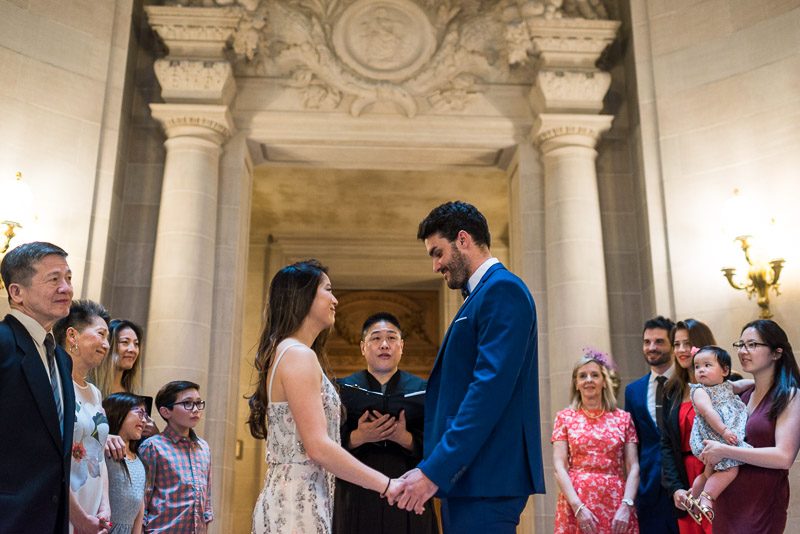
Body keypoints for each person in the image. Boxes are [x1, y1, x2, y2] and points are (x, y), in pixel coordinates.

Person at [397, 201, 545, 533]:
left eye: (438, 253)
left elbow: (487, 392)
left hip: (486, 478)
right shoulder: (480, 296)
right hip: (472, 479)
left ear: (463, 239)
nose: (436, 266)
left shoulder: (502, 290)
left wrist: (436, 469)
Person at [248, 260, 407, 534]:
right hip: (296, 504)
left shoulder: (289, 351)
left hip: (302, 495)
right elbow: (318, 447)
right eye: (328, 290)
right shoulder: (298, 354)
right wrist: (387, 484)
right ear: (304, 296)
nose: (335, 299)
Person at [334, 312, 439, 534]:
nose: (384, 345)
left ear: (402, 346)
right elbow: (322, 442)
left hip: (408, 492)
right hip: (357, 493)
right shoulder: (341, 390)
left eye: (392, 338)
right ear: (363, 347)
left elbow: (439, 443)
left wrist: (407, 439)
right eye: (375, 338)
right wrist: (357, 437)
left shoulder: (425, 390)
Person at [0, 241, 76, 534]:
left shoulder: (61, 358)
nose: (66, 288)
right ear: (16, 292)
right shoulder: (4, 343)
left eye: (68, 278)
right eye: (54, 279)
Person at [700, 320, 800, 533]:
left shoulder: (789, 396)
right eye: (741, 345)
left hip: (761, 504)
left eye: (752, 345)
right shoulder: (742, 396)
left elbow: (784, 457)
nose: (743, 351)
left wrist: (725, 450)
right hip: (728, 502)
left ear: (776, 353)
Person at [553, 349, 639, 533]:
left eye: (595, 375)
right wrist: (578, 507)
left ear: (604, 382)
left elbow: (633, 467)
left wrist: (626, 505)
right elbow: (559, 467)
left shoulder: (623, 419)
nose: (589, 380)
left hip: (616, 502)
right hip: (576, 502)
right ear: (576, 384)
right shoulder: (564, 418)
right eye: (582, 376)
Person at [54, 299, 113, 534]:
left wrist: (105, 505)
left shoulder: (95, 393)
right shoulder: (55, 383)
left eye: (108, 338)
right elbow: (53, 457)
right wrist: (78, 517)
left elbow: (99, 453)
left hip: (93, 507)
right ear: (72, 336)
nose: (106, 345)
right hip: (65, 505)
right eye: (100, 334)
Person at [660, 319, 716, 533]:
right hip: (686, 480)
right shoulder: (671, 390)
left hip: (717, 475)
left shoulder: (724, 384)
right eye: (676, 344)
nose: (681, 350)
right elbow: (666, 443)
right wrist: (675, 488)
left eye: (687, 343)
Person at [624, 315, 678, 533]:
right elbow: (633, 444)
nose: (651, 347)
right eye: (647, 342)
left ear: (672, 345)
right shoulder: (633, 391)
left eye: (659, 342)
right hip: (648, 488)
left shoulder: (690, 384)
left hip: (685, 485)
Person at [684, 346, 750, 523]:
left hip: (718, 438)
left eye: (707, 365)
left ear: (725, 370)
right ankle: (708, 497)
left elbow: (739, 385)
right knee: (730, 469)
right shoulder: (699, 391)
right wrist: (725, 431)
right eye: (697, 367)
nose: (701, 370)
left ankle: (693, 499)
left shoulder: (726, 386)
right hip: (712, 436)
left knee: (707, 474)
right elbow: (707, 412)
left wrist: (755, 382)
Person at [138, 380, 213, 533]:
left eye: (199, 403)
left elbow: (207, 503)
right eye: (187, 403)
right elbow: (142, 501)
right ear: (166, 411)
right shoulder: (153, 447)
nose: (196, 409)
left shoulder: (203, 448)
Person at [91, 319, 157, 437]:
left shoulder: (133, 396)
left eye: (136, 344)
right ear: (108, 345)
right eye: (125, 342)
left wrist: (153, 433)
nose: (132, 349)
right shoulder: (89, 388)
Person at [102, 393, 147, 534]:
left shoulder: (139, 461)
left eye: (145, 415)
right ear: (118, 411)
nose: (144, 420)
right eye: (139, 413)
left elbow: (140, 511)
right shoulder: (104, 451)